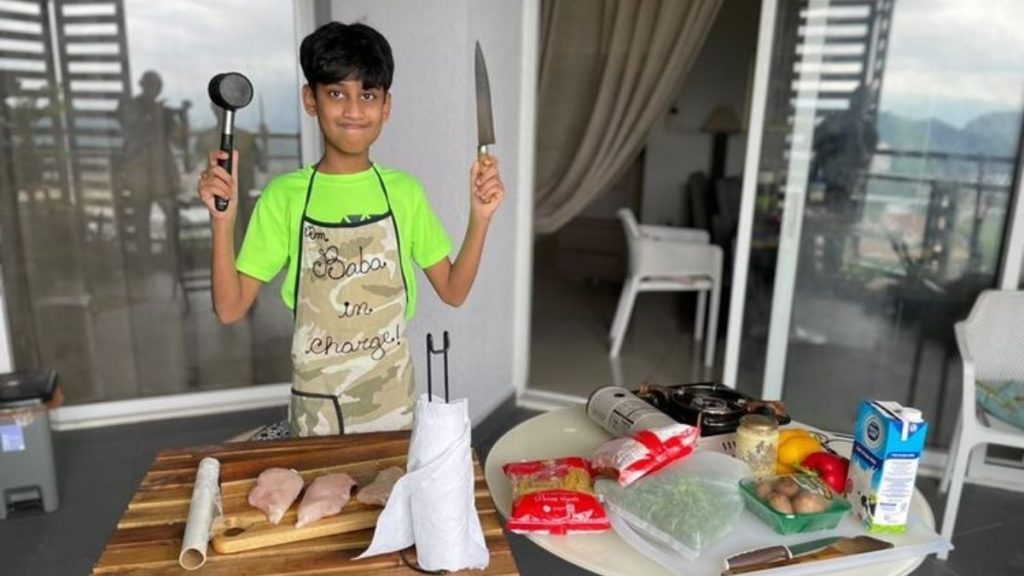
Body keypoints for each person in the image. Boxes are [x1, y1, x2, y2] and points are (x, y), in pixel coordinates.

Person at [196, 22, 505, 438]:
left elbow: (453, 290)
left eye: (368, 95)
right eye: (337, 93)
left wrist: (480, 217)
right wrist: (223, 223)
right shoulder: (284, 196)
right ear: (311, 100)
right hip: (316, 409)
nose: (354, 110)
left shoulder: (404, 192)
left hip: (392, 402)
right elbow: (230, 309)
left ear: (386, 106)